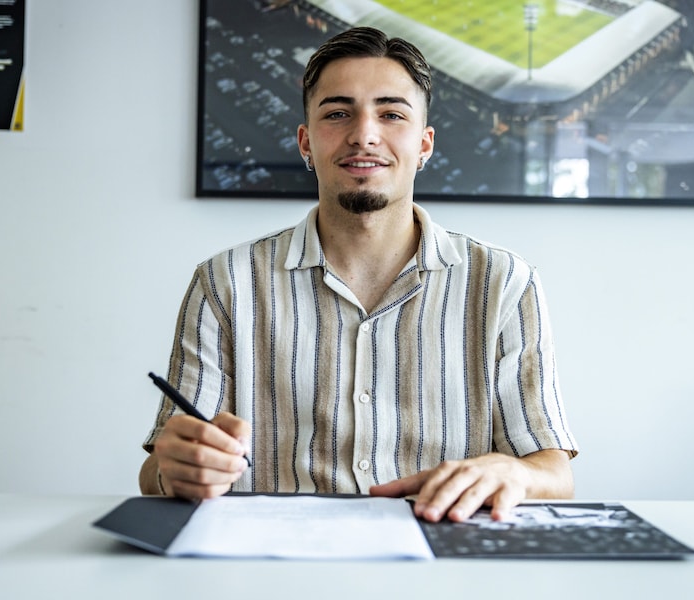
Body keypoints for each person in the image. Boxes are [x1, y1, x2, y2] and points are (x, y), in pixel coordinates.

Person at [139, 26, 578, 522]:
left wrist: (515, 474)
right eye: (337, 113)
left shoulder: (504, 283)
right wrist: (171, 470)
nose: (364, 134)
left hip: (444, 563)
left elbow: (554, 472)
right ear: (306, 143)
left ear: (425, 144)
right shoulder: (225, 282)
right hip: (270, 564)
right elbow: (159, 470)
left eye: (391, 114)